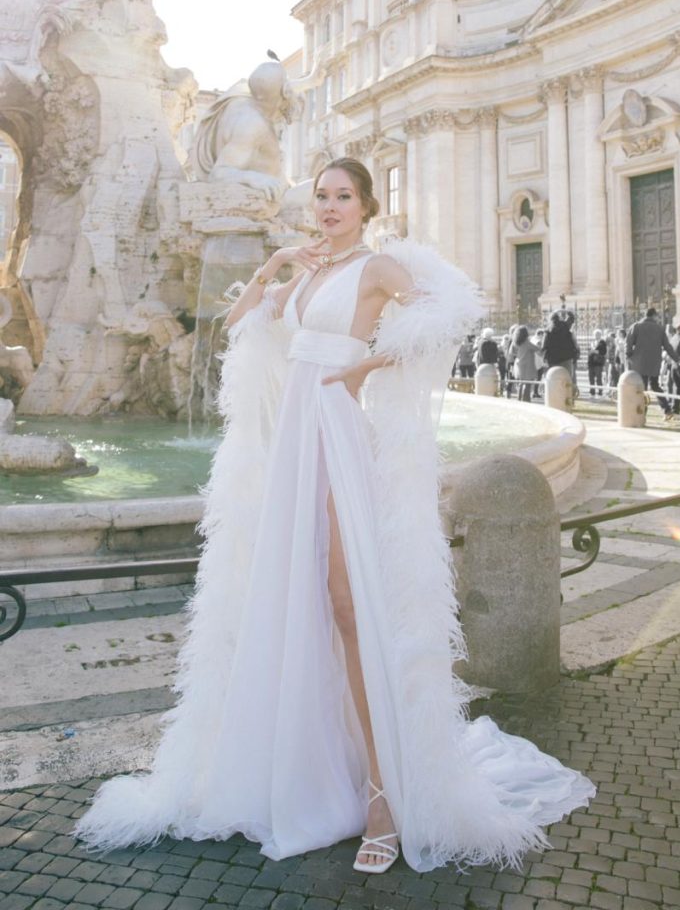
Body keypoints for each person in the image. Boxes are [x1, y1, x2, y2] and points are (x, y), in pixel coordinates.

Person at [73, 158, 594, 873]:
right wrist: (276, 264)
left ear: (366, 205)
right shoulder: (305, 274)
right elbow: (237, 323)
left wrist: (365, 366)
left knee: (349, 604)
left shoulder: (377, 269)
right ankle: (308, 767)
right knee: (299, 600)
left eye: (342, 196)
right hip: (293, 440)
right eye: (320, 196)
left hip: (338, 435)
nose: (328, 207)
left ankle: (383, 795)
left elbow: (448, 317)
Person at [626, 308, 679, 416]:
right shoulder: (660, 329)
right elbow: (668, 347)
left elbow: (628, 342)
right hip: (654, 363)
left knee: (642, 387)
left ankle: (642, 412)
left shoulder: (636, 326)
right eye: (657, 316)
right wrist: (677, 359)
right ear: (653, 315)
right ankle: (666, 409)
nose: (658, 318)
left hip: (639, 363)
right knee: (655, 385)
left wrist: (629, 355)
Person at [542, 311, 579, 377]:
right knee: (567, 382)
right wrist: (566, 311)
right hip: (566, 359)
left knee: (555, 381)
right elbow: (572, 318)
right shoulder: (565, 326)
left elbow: (543, 347)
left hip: (553, 361)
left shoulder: (547, 331)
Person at [509, 325, 540, 402]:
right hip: (527, 365)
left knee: (520, 384)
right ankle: (526, 400)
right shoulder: (526, 342)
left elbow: (511, 352)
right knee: (527, 384)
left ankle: (519, 399)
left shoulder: (515, 342)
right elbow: (537, 349)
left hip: (518, 364)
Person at [587, 329, 607, 397]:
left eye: (598, 334)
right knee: (591, 377)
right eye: (595, 334)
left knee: (598, 378)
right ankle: (592, 390)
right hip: (591, 362)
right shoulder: (592, 342)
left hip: (598, 363)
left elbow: (603, 352)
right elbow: (590, 351)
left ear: (600, 335)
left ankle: (600, 391)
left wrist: (594, 351)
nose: (596, 335)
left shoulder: (602, 342)